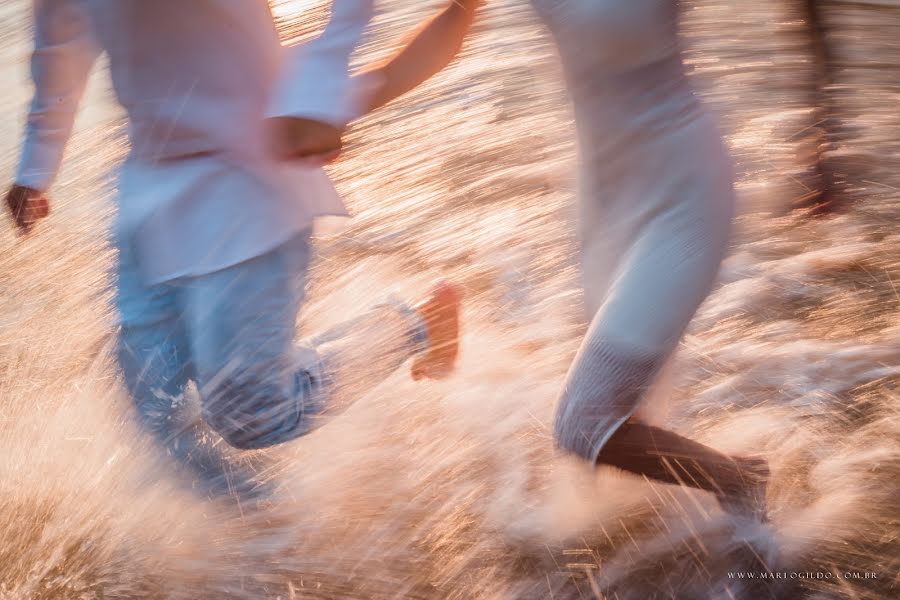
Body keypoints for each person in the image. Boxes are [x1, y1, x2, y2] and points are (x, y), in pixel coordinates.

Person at [5, 0, 478, 500]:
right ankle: (268, 528)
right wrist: (35, 166)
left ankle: (416, 325)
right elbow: (60, 38)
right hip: (149, 191)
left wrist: (318, 94)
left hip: (248, 183)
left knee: (251, 413)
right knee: (156, 406)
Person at [363, 0, 771, 520]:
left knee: (584, 423)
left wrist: (823, 133)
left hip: (685, 196)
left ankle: (739, 480)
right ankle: (668, 547)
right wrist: (337, 108)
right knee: (624, 416)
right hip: (601, 206)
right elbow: (454, 20)